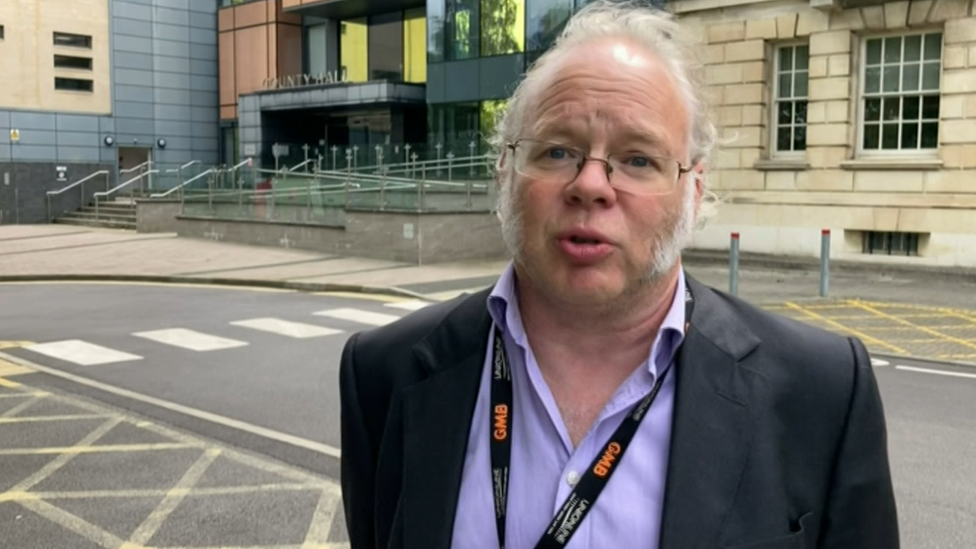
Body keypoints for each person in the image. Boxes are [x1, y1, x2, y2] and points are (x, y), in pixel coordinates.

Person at [338, 1, 899, 548]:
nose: (591, 185)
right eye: (557, 150)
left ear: (694, 189)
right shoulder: (383, 374)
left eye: (638, 159)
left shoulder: (821, 391)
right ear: (506, 169)